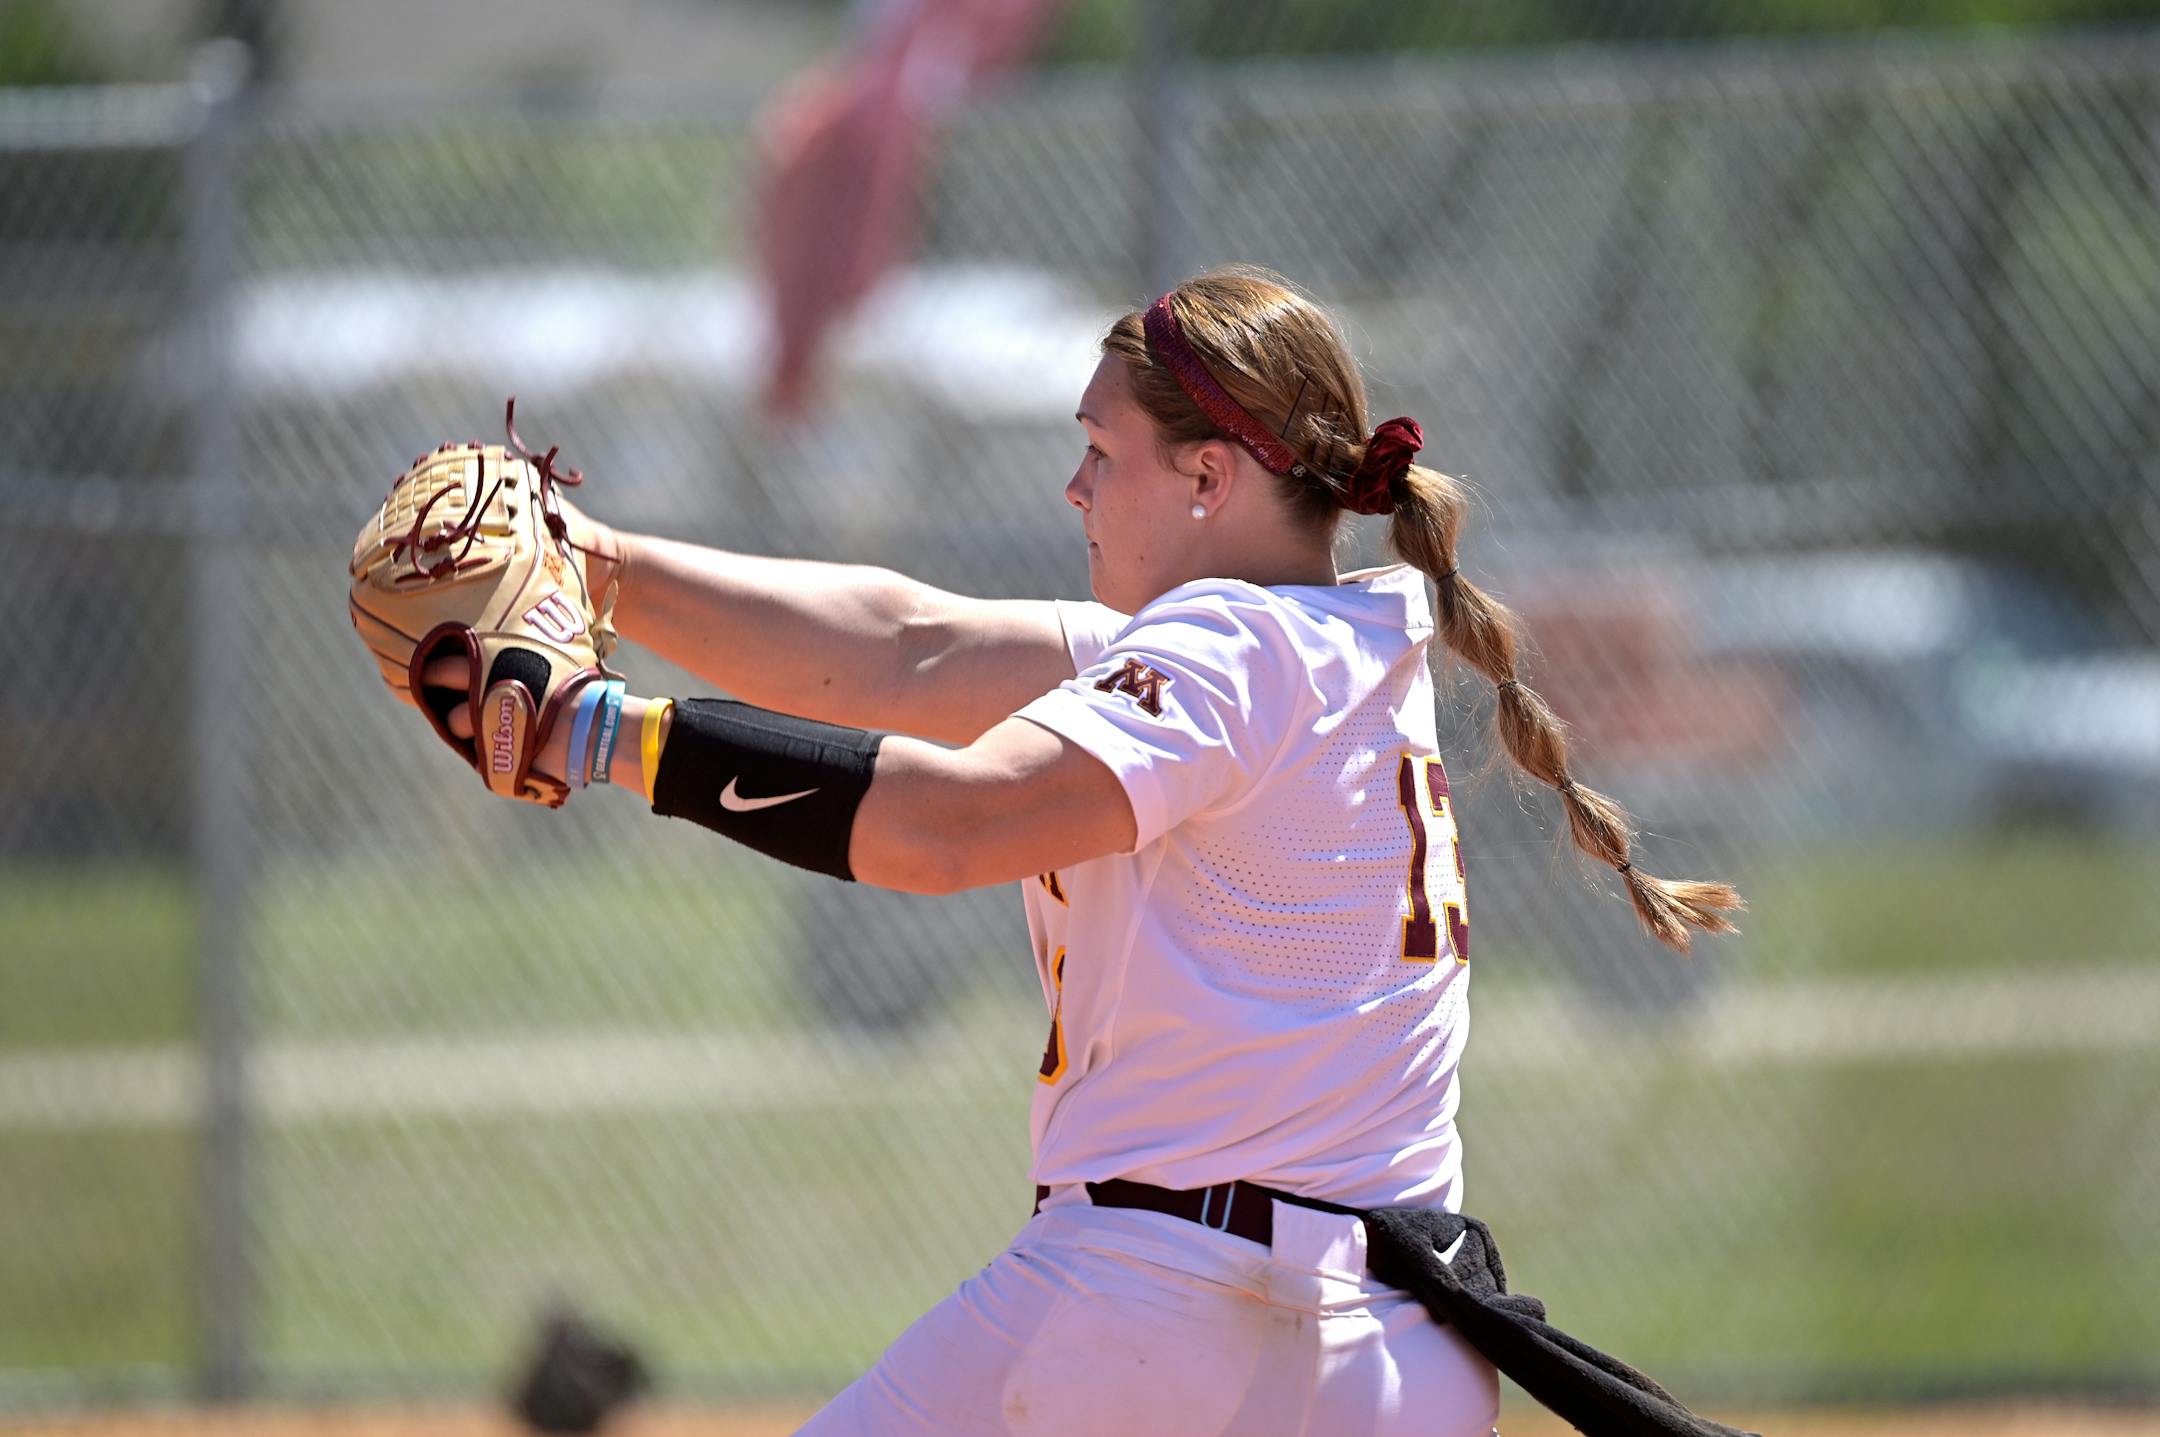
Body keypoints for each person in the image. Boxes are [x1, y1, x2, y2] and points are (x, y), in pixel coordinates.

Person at [420, 267, 1743, 1435]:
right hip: (1395, 1347)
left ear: (1209, 476)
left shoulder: (1224, 648)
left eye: (1102, 451)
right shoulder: (1340, 647)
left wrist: (603, 735)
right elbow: (909, 648)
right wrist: (597, 567)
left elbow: (952, 824)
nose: (1076, 485)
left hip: (1167, 1310)